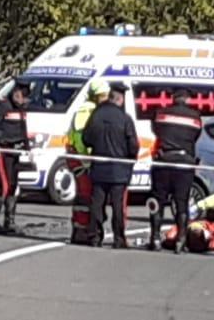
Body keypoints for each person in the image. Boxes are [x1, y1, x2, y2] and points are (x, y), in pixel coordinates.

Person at [82, 80, 140, 248]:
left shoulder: (96, 115)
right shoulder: (124, 119)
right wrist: (130, 158)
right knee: (117, 206)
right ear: (121, 99)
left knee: (97, 204)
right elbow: (133, 145)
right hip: (119, 170)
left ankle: (94, 236)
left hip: (99, 167)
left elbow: (86, 139)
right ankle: (118, 239)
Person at [146, 86, 203, 251]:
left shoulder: (160, 114)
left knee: (157, 200)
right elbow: (195, 136)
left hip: (163, 160)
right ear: (188, 100)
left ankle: (155, 238)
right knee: (181, 203)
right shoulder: (195, 117)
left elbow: (156, 131)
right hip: (184, 163)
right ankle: (180, 240)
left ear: (173, 98)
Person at [0, 82, 31, 235]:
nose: (22, 99)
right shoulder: (2, 107)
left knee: (13, 186)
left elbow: (22, 129)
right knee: (4, 186)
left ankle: (9, 221)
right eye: (20, 95)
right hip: (4, 151)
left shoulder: (21, 109)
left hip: (16, 152)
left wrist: (26, 147)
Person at [66, 80, 105, 245]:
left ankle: (83, 229)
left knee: (87, 196)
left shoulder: (93, 110)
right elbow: (81, 138)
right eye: (103, 96)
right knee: (85, 196)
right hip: (81, 159)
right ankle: (80, 231)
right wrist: (87, 159)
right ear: (96, 96)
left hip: (82, 158)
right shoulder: (86, 111)